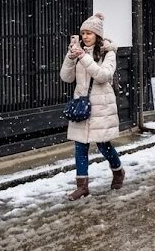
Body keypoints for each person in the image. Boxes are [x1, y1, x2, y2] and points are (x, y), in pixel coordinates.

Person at [60, 13, 123, 201]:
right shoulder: (78, 52)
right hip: (82, 105)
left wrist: (84, 57)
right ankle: (82, 186)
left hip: (101, 104)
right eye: (83, 33)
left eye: (89, 33)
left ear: (98, 35)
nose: (85, 36)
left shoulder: (108, 52)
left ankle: (118, 170)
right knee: (80, 146)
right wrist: (71, 58)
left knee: (104, 145)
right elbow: (66, 77)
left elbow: (103, 76)